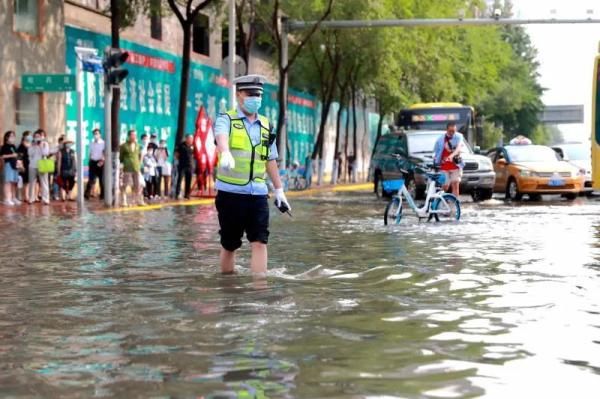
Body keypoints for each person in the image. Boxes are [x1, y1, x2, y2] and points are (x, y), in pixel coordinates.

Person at [214, 74, 290, 275]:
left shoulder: (266, 125)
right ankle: (227, 288)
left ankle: (259, 291)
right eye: (250, 93)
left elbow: (270, 159)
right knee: (230, 244)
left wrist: (279, 190)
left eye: (259, 94)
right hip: (230, 194)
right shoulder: (226, 119)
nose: (255, 98)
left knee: (260, 241)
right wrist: (225, 151)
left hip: (258, 194)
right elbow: (220, 136)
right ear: (239, 94)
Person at [433, 122, 465, 197]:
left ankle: (455, 204)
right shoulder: (440, 139)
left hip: (455, 165)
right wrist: (435, 162)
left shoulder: (459, 136)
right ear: (446, 130)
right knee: (445, 186)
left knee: (455, 184)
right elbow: (436, 152)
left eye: (454, 131)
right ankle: (441, 202)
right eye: (450, 131)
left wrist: (451, 156)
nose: (452, 133)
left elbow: (458, 148)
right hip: (444, 166)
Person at [119, 130, 145, 206]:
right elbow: (121, 157)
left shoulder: (138, 145)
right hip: (127, 168)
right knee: (125, 184)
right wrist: (122, 165)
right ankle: (124, 200)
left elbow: (140, 156)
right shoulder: (124, 146)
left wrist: (140, 164)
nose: (134, 136)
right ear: (129, 136)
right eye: (132, 135)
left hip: (136, 168)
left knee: (137, 185)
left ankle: (135, 200)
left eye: (135, 135)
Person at [28, 129, 50, 205]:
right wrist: (34, 146)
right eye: (35, 136)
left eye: (38, 136)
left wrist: (41, 146)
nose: (37, 138)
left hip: (42, 164)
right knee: (32, 182)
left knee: (44, 182)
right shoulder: (31, 144)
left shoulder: (45, 144)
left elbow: (46, 153)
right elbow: (30, 154)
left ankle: (45, 199)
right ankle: (31, 198)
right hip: (32, 165)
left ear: (41, 137)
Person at [1, 131, 22, 206]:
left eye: (14, 136)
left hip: (15, 165)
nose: (12, 138)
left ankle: (13, 197)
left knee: (14, 182)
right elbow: (2, 156)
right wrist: (11, 155)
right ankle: (7, 199)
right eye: (11, 136)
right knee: (8, 182)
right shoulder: (4, 146)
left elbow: (17, 155)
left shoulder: (13, 146)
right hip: (8, 165)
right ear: (7, 137)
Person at [85, 128, 105, 200]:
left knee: (101, 180)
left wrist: (102, 161)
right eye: (94, 134)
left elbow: (105, 153)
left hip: (100, 162)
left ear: (100, 134)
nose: (95, 135)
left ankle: (102, 195)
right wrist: (89, 162)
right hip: (93, 162)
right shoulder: (91, 143)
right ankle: (87, 195)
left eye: (97, 134)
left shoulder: (103, 143)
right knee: (91, 179)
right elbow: (90, 153)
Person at [176, 134, 195, 200]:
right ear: (186, 139)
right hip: (182, 165)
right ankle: (177, 194)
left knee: (188, 181)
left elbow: (194, 155)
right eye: (190, 138)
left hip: (190, 166)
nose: (191, 140)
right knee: (179, 180)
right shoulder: (181, 145)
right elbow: (177, 155)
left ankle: (187, 195)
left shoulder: (193, 146)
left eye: (192, 139)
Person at [17, 131, 31, 203]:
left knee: (27, 182)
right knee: (22, 181)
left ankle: (26, 196)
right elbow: (19, 158)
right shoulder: (21, 147)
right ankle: (22, 196)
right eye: (28, 136)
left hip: (29, 165)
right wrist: (21, 166)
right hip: (23, 166)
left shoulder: (29, 146)